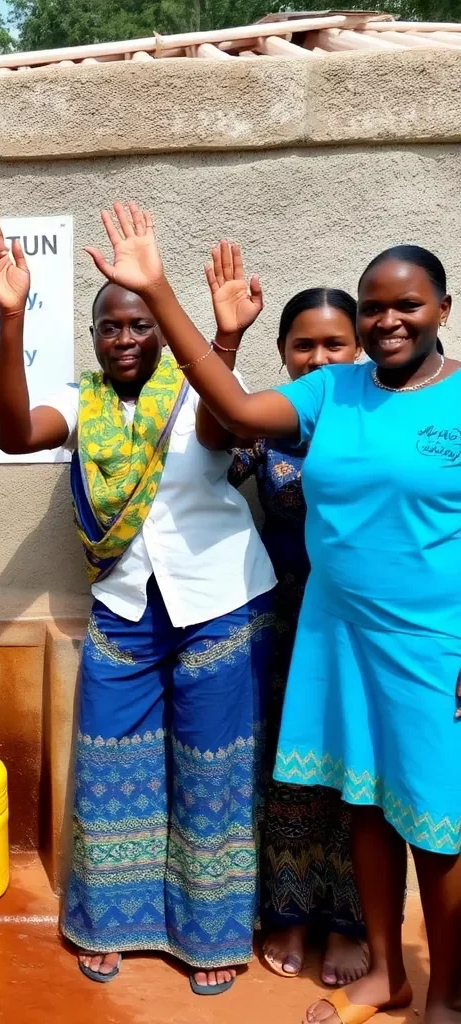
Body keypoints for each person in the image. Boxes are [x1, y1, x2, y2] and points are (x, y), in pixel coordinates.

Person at [83, 200, 461, 1024]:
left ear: (442, 308)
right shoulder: (334, 391)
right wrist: (164, 294)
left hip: (434, 643)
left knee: (436, 822)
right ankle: (389, 973)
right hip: (336, 631)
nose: (389, 320)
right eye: (376, 306)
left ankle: (449, 996)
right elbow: (237, 410)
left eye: (407, 305)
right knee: (359, 805)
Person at [0, 210, 276, 995]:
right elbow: (14, 432)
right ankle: (113, 923)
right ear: (96, 336)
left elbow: (220, 431)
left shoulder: (201, 383)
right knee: (111, 762)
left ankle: (208, 933)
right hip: (125, 611)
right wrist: (10, 319)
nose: (127, 338)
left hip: (219, 604)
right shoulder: (86, 402)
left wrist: (224, 341)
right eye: (112, 326)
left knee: (211, 770)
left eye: (141, 322)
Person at [202, 255, 367, 984]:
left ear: (358, 348)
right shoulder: (265, 425)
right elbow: (210, 438)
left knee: (360, 775)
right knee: (291, 776)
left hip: (366, 625)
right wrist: (223, 336)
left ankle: (349, 925)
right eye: (306, 345)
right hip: (287, 626)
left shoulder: (378, 422)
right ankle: (290, 913)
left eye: (336, 344)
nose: (321, 356)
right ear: (284, 352)